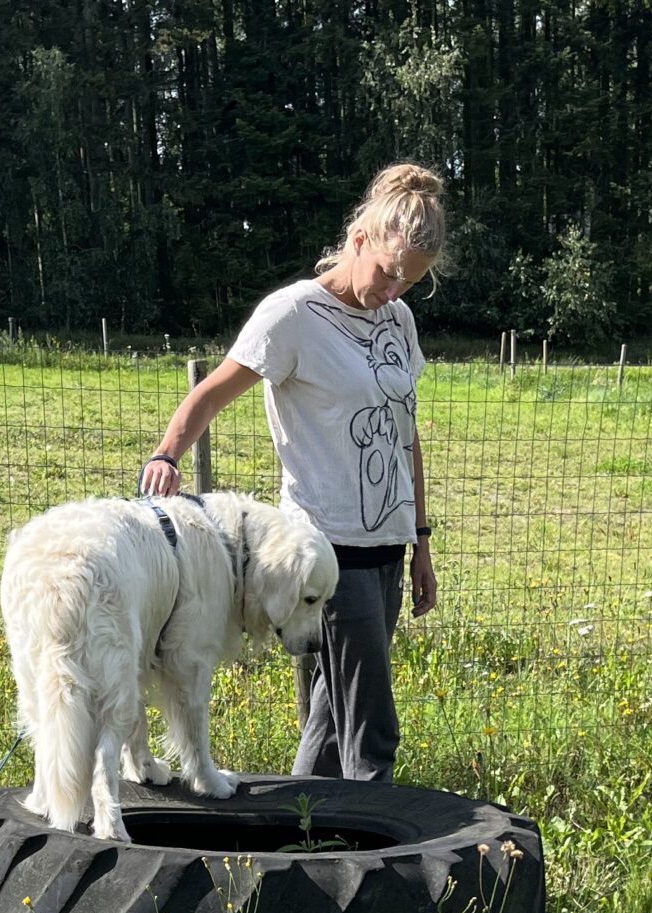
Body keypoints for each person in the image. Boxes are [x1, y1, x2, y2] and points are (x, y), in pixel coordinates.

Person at [142, 163, 445, 782]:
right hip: (326, 550)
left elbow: (404, 432)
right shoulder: (293, 316)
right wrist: (166, 455)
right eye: (388, 273)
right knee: (369, 725)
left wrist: (421, 542)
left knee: (333, 716)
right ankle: (372, 849)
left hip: (388, 543)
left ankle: (304, 836)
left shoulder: (398, 322)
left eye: (409, 284)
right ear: (360, 239)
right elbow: (212, 393)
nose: (393, 292)